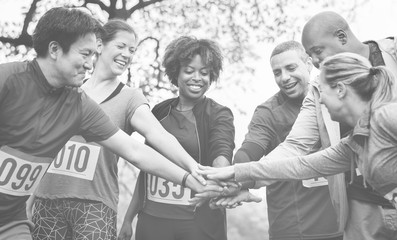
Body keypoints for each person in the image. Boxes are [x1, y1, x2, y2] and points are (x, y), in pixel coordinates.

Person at [0, 8, 220, 240]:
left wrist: (190, 177)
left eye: (132, 50)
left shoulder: (80, 105)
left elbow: (135, 149)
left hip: (21, 221)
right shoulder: (10, 81)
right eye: (85, 54)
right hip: (44, 206)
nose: (89, 63)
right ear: (55, 49)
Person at [199, 11, 397, 240]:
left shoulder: (386, 111)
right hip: (360, 207)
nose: (315, 61)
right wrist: (239, 175)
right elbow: (300, 157)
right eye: (310, 54)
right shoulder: (350, 143)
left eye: (317, 51)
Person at [118, 36, 235, 240]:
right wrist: (129, 218)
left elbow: (222, 149)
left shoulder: (219, 113)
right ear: (176, 73)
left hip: (197, 226)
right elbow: (147, 168)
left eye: (204, 72)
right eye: (189, 71)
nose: (197, 77)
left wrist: (221, 173)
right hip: (152, 223)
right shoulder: (159, 111)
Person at [230, 40, 342, 240]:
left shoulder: (336, 98)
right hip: (293, 228)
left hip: (341, 224)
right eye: (277, 72)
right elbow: (248, 152)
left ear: (309, 63)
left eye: (291, 68)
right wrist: (237, 178)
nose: (285, 78)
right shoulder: (268, 112)